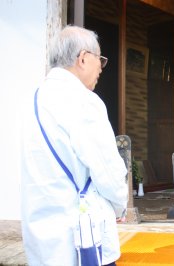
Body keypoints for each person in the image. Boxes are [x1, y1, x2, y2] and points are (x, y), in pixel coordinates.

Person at [20, 25, 128, 265]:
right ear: (83, 58)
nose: (101, 66)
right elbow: (107, 169)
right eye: (100, 59)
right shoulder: (84, 101)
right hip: (82, 242)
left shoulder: (35, 98)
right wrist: (121, 206)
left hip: (42, 239)